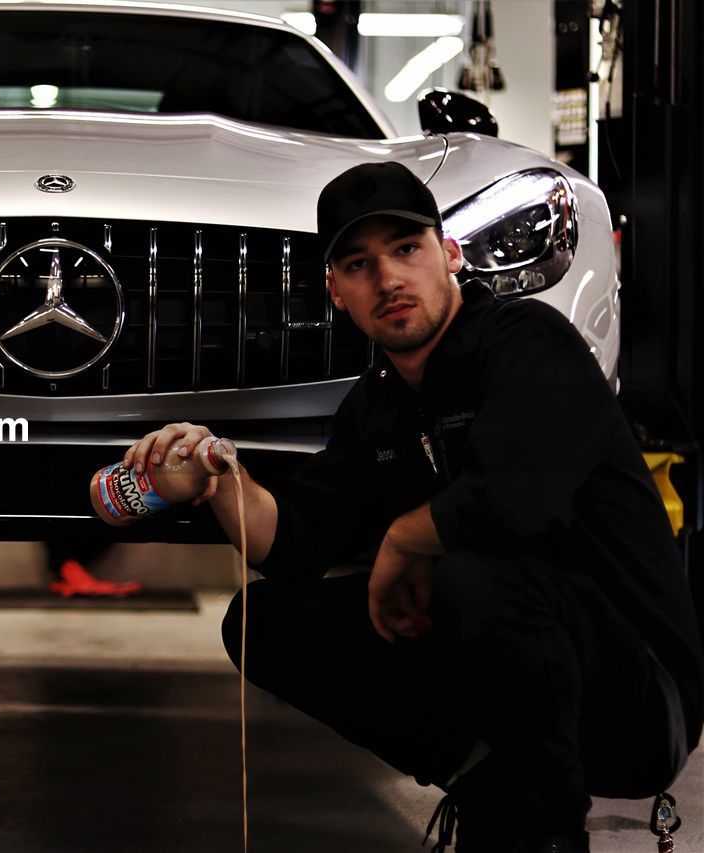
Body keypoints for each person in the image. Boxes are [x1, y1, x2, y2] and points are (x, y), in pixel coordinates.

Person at [124, 162, 703, 852]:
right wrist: (218, 474)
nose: (389, 279)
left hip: (636, 695)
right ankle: (486, 777)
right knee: (267, 618)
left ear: (449, 254)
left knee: (474, 573)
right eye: (360, 264)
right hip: (508, 662)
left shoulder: (527, 342)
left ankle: (541, 830)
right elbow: (295, 541)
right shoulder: (377, 408)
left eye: (407, 249)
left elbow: (514, 501)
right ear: (336, 291)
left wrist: (403, 536)